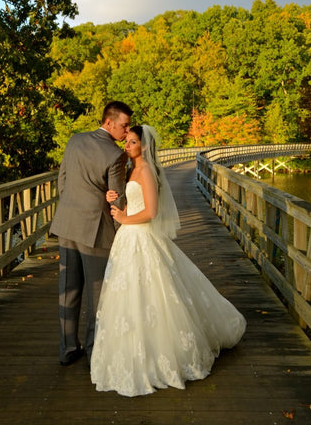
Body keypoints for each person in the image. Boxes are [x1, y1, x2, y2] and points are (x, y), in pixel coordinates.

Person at [90, 125, 246, 396]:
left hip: (140, 236)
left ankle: (162, 356)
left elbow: (151, 211)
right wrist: (116, 202)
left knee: (154, 295)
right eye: (126, 142)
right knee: (128, 296)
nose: (127, 146)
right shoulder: (133, 170)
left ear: (145, 147)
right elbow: (134, 206)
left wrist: (125, 219)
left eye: (132, 142)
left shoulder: (147, 171)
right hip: (128, 238)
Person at [50, 100, 133, 366]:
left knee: (68, 288)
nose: (126, 131)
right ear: (109, 122)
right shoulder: (115, 154)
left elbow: (62, 181)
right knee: (97, 294)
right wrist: (122, 232)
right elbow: (116, 199)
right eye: (124, 125)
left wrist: (71, 209)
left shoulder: (75, 140)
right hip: (96, 230)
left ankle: (67, 348)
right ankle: (94, 351)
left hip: (67, 223)